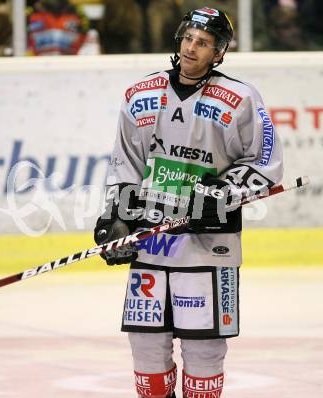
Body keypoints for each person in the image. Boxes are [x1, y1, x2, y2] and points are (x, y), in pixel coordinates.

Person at [94, 7, 283, 398]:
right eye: (188, 39)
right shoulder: (141, 94)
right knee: (146, 355)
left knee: (204, 355)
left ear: (219, 53)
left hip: (209, 249)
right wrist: (115, 219)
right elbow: (125, 164)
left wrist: (222, 193)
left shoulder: (240, 99)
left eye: (204, 43)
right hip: (152, 244)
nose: (192, 48)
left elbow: (267, 164)